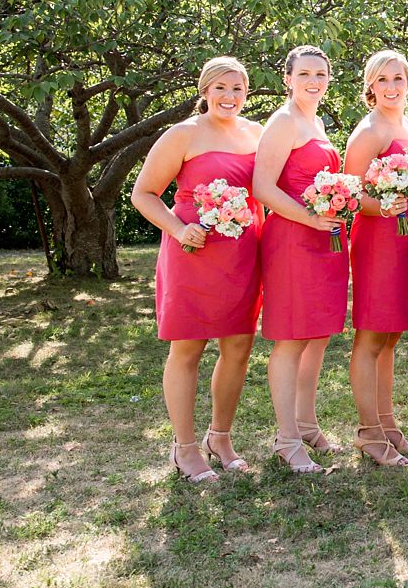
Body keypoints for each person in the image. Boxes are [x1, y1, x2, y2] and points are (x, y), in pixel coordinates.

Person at [131, 56, 263, 483]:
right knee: (188, 349)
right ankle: (184, 448)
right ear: (205, 90)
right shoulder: (183, 134)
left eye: (238, 89)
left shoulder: (257, 134)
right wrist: (178, 227)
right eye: (221, 88)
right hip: (193, 254)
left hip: (242, 256)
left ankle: (219, 437)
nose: (230, 97)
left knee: (238, 347)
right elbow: (144, 193)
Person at [255, 46, 348, 474]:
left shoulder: (317, 121)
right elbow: (264, 188)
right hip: (293, 238)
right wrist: (312, 218)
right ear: (287, 79)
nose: (314, 81)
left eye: (322, 74)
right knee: (292, 338)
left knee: (318, 334)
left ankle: (307, 424)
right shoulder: (282, 121)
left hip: (324, 238)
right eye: (306, 74)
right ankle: (286, 439)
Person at [344, 50, 408, 467]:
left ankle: (388, 423)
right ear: (370, 86)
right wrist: (383, 206)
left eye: (398, 79)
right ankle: (368, 432)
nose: (391, 87)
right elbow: (352, 193)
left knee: (392, 334)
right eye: (382, 80)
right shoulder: (369, 130)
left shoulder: (405, 124)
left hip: (406, 236)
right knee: (373, 333)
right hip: (379, 237)